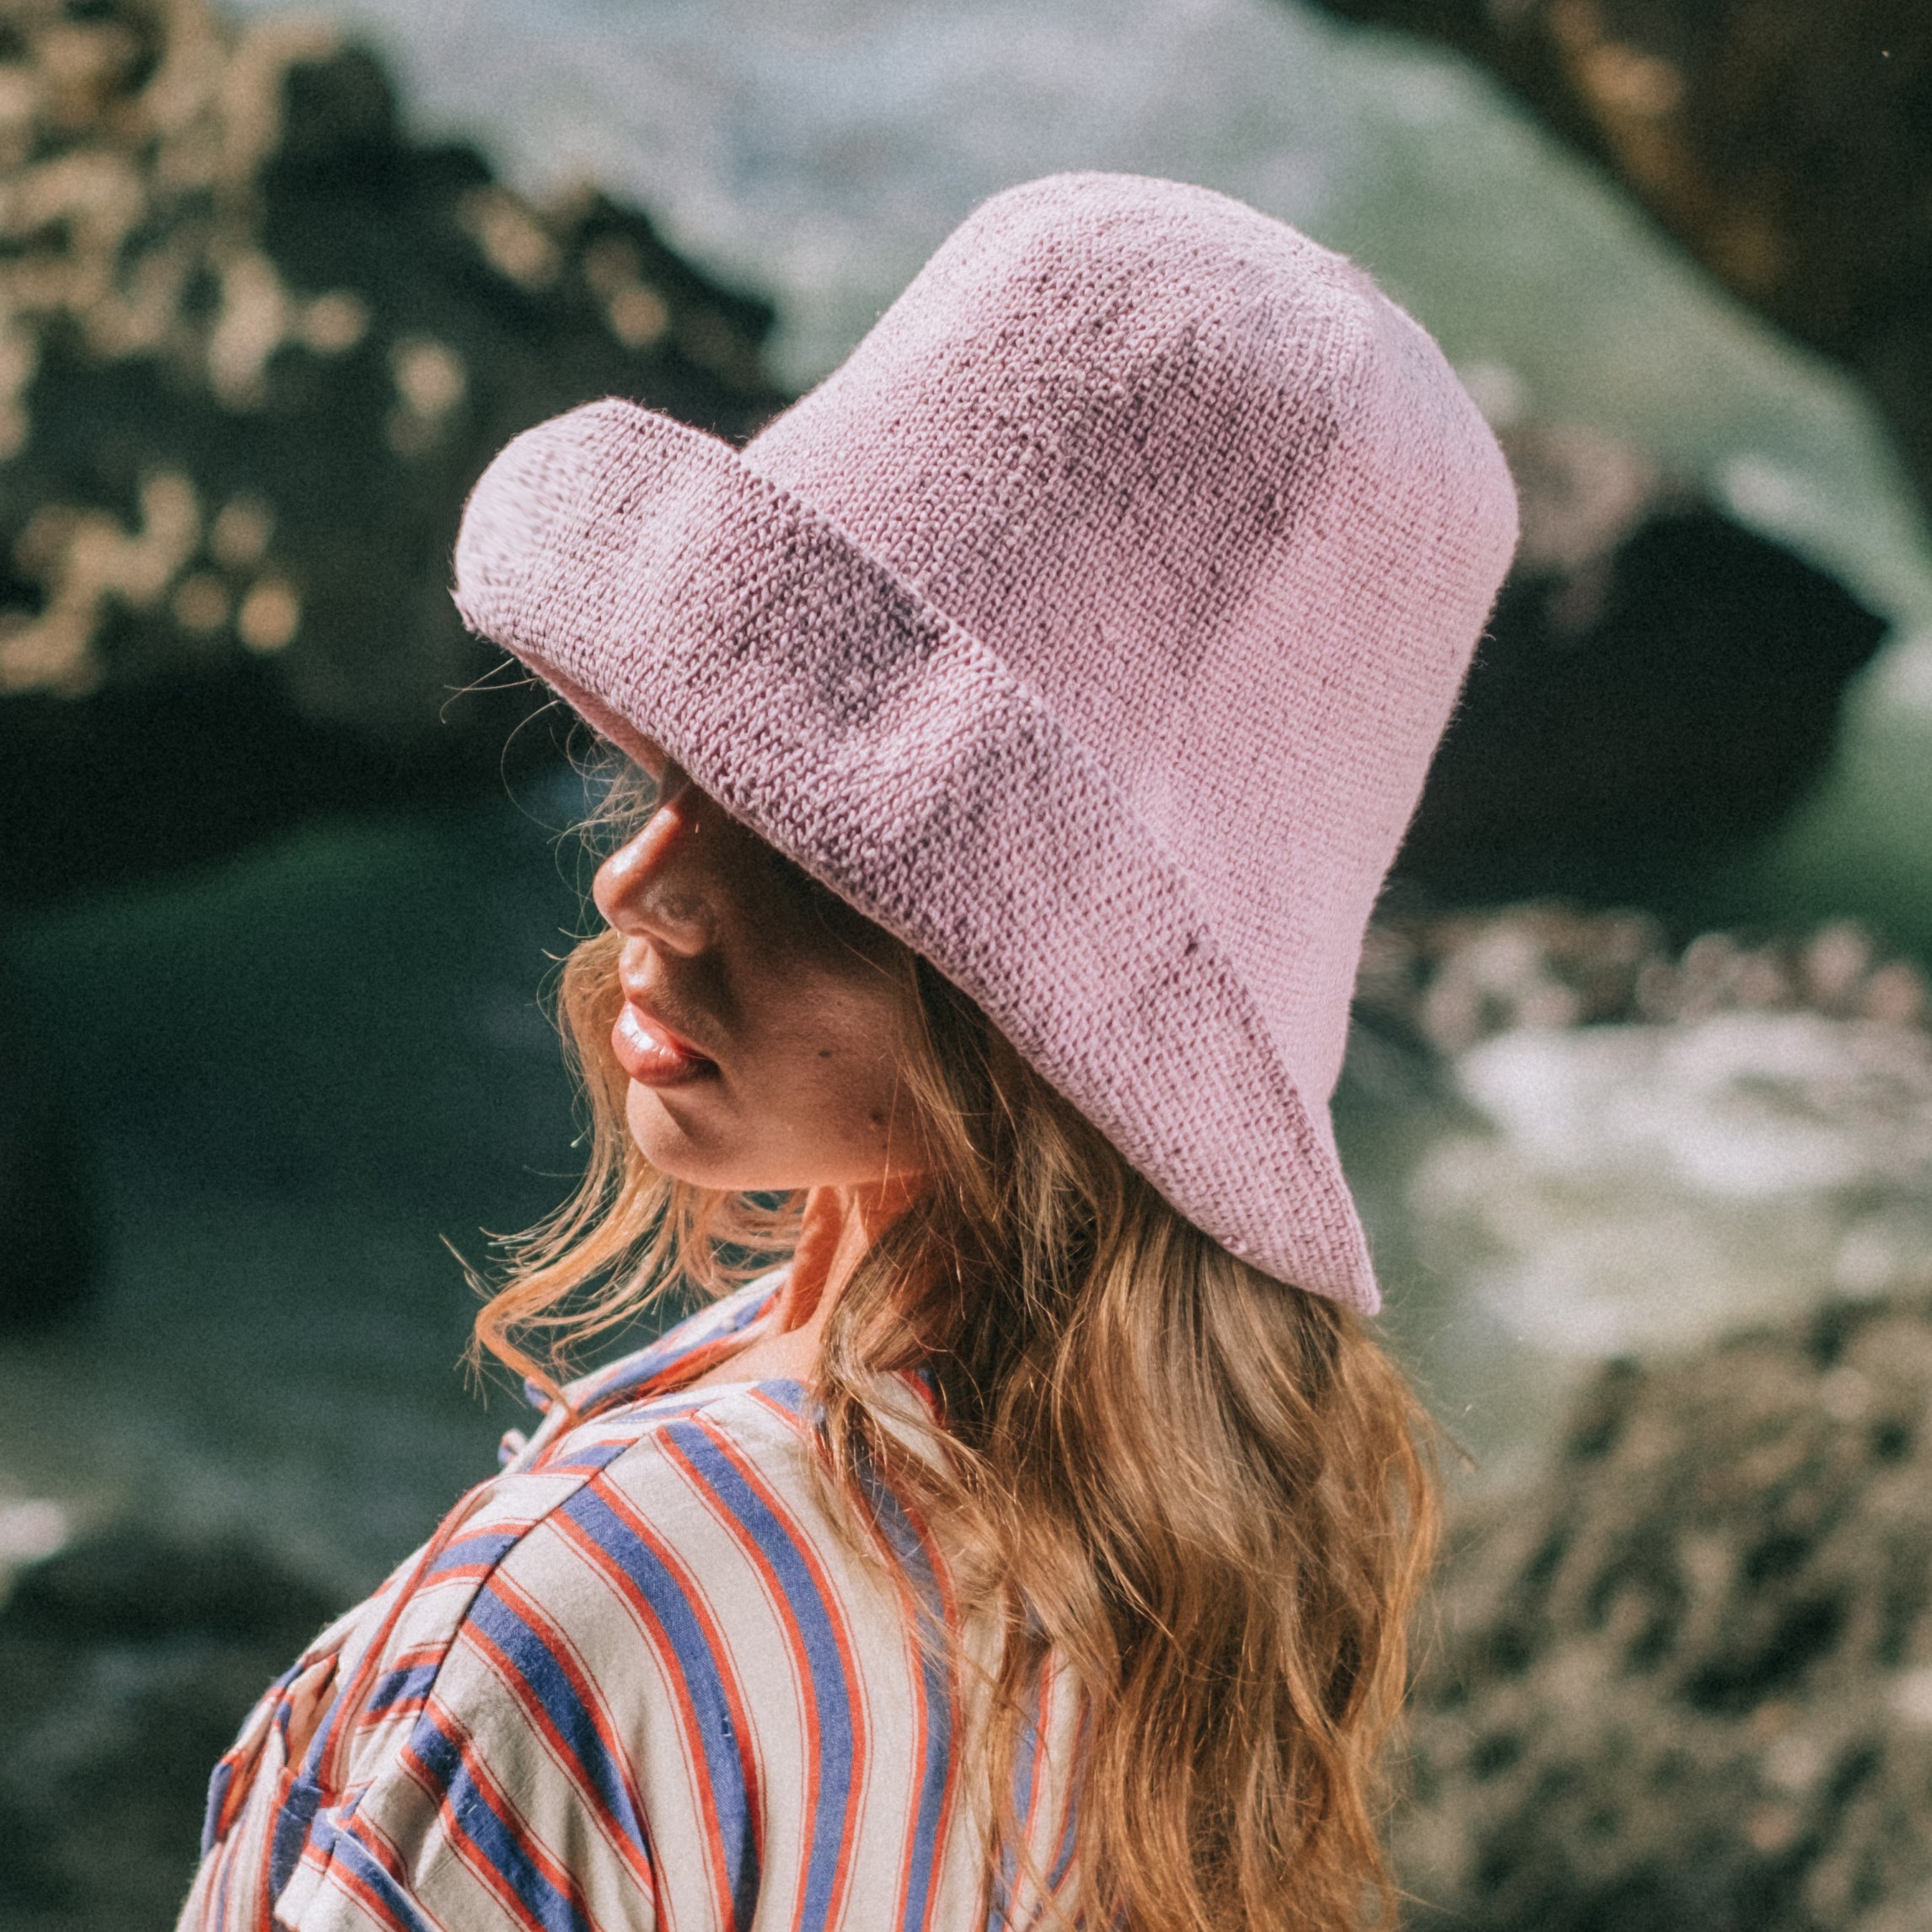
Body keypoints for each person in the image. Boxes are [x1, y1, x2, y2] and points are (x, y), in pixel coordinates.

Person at [178, 171, 1516, 1932]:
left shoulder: (594, 1632)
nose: (637, 878)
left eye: (815, 832)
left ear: (1029, 977)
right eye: (691, 757)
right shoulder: (1196, 1573)